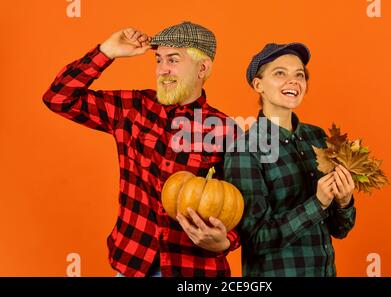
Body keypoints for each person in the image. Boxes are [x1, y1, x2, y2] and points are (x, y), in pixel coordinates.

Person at [43, 21, 240, 277]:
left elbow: (241, 204)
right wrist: (107, 52)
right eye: (158, 60)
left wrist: (225, 242)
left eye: (173, 60)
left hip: (195, 271)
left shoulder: (226, 130)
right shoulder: (133, 108)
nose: (162, 70)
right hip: (132, 264)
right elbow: (58, 98)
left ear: (202, 68)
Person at [224, 43, 356, 276]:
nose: (293, 81)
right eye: (279, 73)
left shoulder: (318, 137)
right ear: (258, 84)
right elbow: (256, 239)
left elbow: (340, 229)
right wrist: (318, 204)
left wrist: (344, 202)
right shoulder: (245, 149)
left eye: (300, 75)